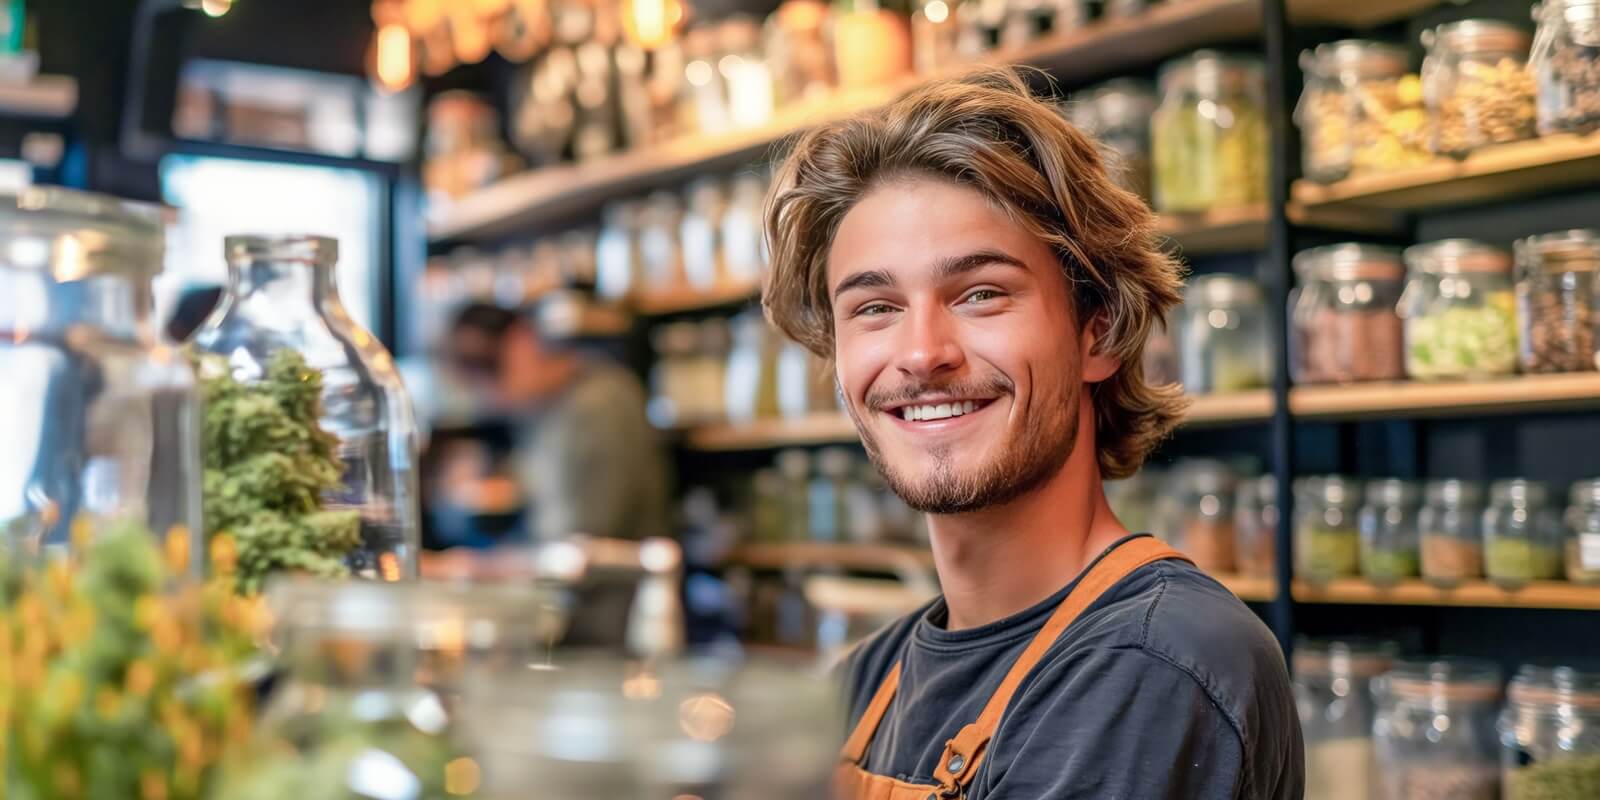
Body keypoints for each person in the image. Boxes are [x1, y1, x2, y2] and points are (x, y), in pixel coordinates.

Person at [763, 67, 1303, 799]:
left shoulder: (1158, 659)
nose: (922, 354)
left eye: (981, 294)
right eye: (875, 308)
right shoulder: (869, 679)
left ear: (1099, 330)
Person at [443, 301, 670, 543]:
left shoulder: (598, 403)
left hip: (615, 576)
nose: (488, 400)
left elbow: (586, 538)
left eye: (489, 373)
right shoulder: (544, 409)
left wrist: (489, 566)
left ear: (521, 341)